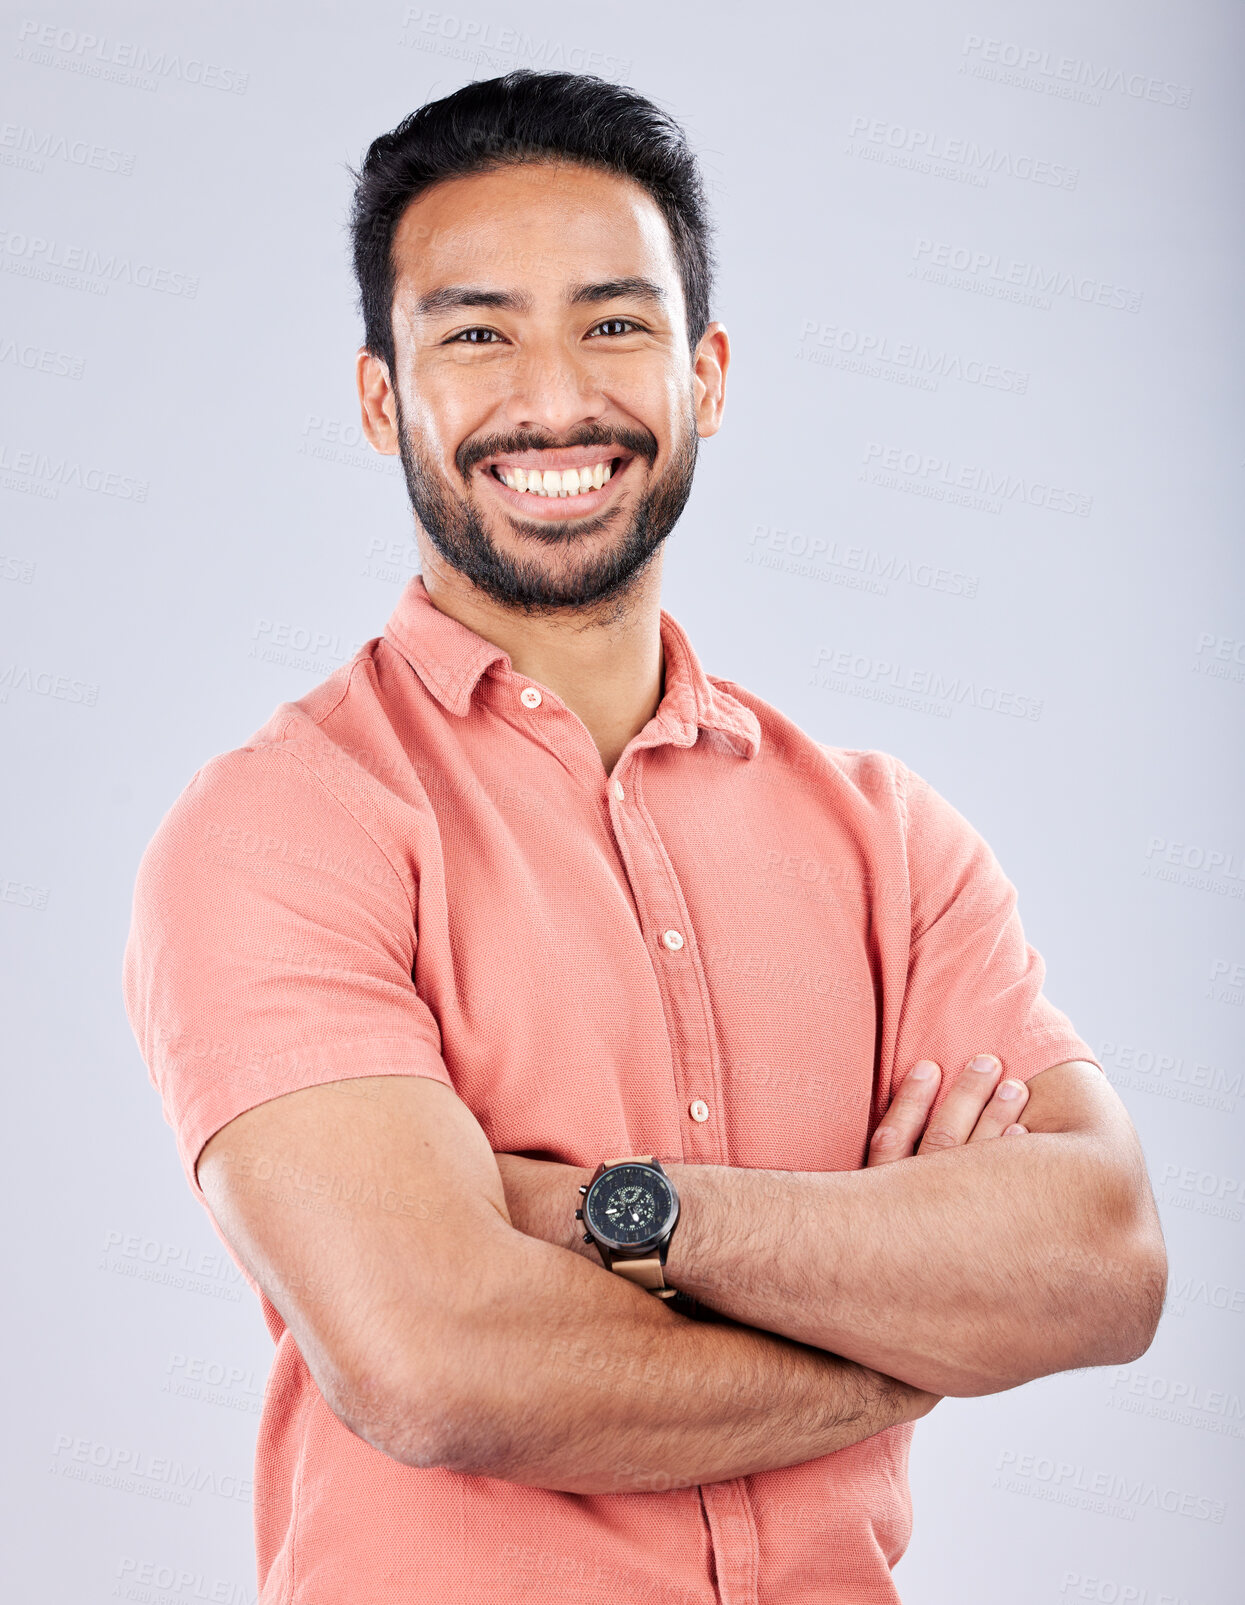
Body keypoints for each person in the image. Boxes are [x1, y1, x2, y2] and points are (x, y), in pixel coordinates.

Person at [122, 71, 1166, 1605]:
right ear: (378, 397)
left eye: (614, 323)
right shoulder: (282, 826)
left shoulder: (889, 839)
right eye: (475, 331)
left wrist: (612, 1209)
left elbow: (1104, 1260)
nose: (553, 399)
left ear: (707, 373)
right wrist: (897, 1332)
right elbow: (438, 1359)